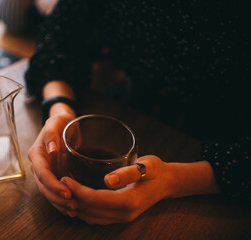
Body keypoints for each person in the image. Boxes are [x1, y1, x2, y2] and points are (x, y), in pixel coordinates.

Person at [24, 0, 251, 225]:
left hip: (226, 156)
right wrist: (60, 109)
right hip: (128, 108)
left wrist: (172, 180)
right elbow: (60, 38)